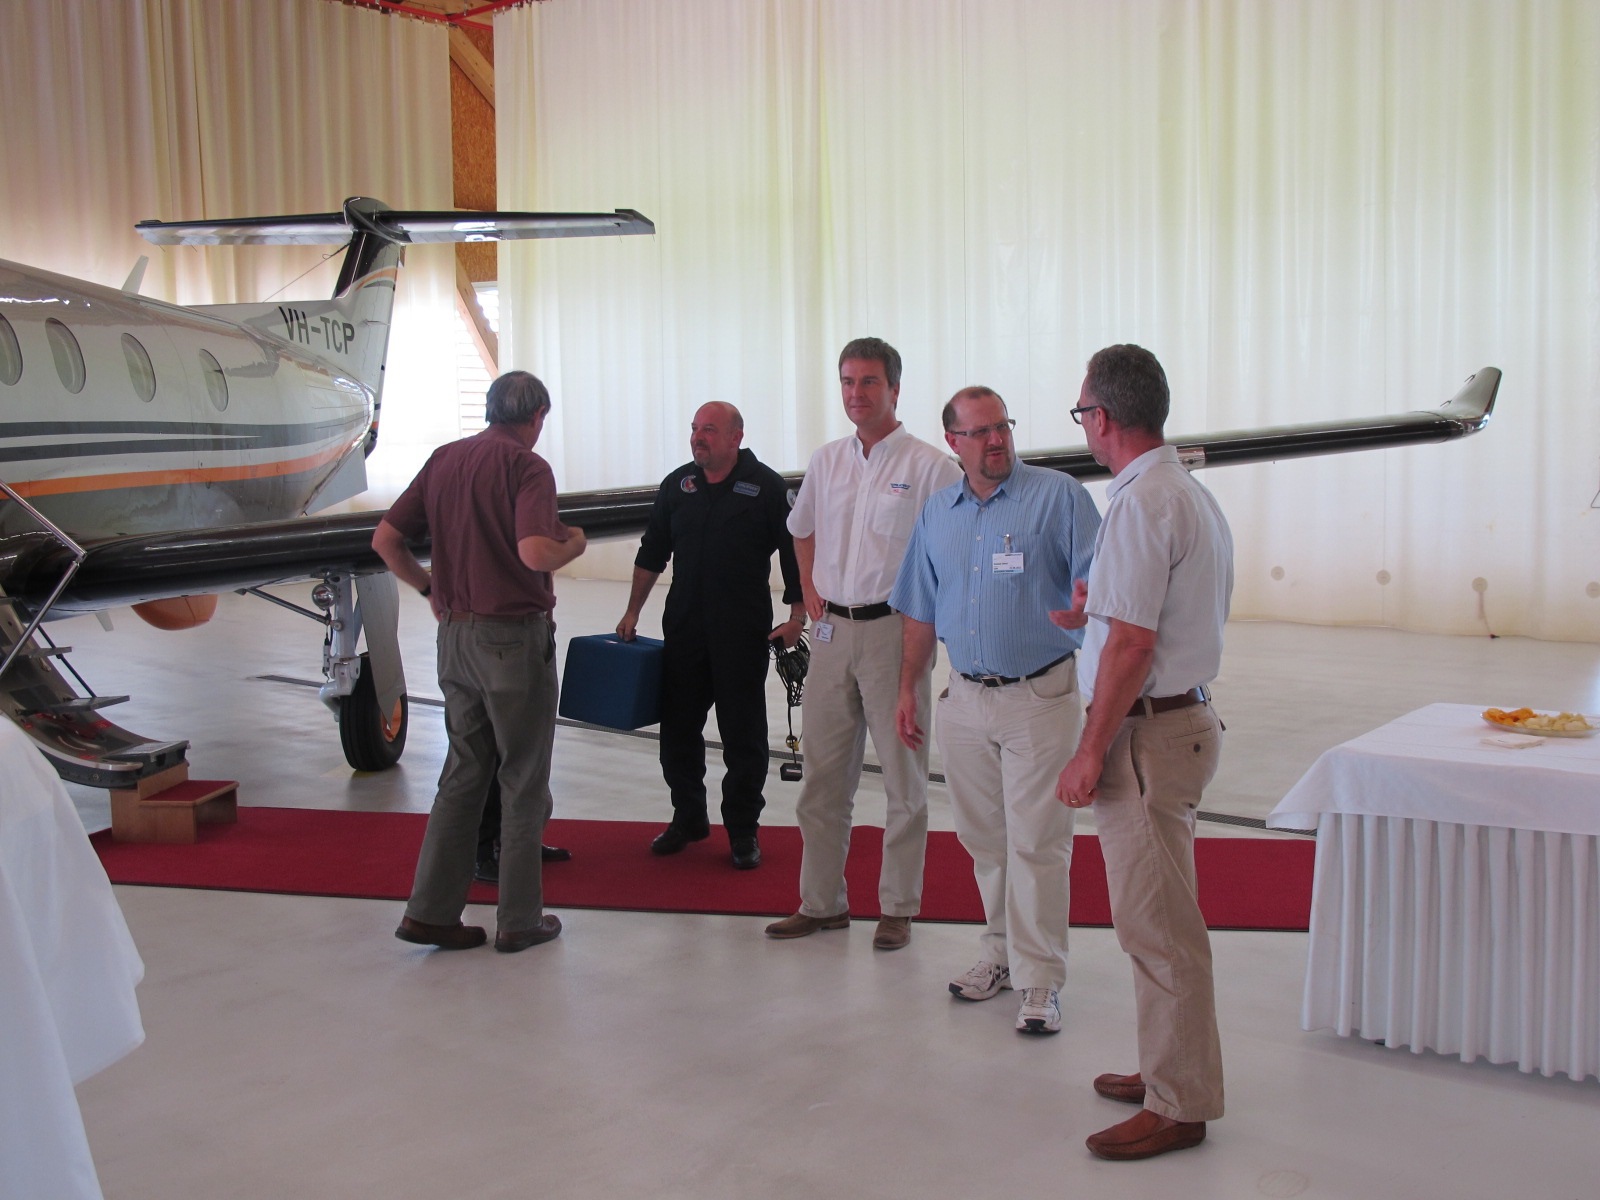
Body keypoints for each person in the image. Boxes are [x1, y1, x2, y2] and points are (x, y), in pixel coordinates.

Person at [1052, 345, 1234, 1160]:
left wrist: (1089, 750)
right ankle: (1169, 1066)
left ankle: (1179, 1102)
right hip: (1179, 723)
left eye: (1081, 411)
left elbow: (1133, 647)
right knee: (1158, 920)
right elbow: (1149, 614)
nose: (1083, 424)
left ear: (1103, 417)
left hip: (1147, 737)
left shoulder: (1139, 502)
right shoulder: (1181, 491)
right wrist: (1096, 609)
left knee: (1159, 930)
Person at [891, 386, 1100, 1034]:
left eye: (1002, 427)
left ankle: (1041, 981)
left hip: (1039, 696)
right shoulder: (937, 514)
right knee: (985, 840)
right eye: (980, 432)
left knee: (1037, 842)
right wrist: (908, 688)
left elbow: (1106, 581)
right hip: (964, 697)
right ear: (953, 442)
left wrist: (1087, 607)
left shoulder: (1060, 497)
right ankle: (1001, 954)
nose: (997, 440)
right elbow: (920, 610)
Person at [373, 369, 586, 953]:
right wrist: (575, 542)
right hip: (512, 641)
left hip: (456, 637)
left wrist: (428, 588)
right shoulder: (526, 467)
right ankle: (520, 919)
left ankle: (430, 911)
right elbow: (535, 551)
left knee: (463, 774)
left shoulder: (445, 459)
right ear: (536, 416)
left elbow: (385, 540)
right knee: (523, 778)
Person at [765, 338, 961, 951]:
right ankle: (821, 903)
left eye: (869, 382)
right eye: (848, 382)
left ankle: (897, 908)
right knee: (822, 779)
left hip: (894, 634)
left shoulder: (932, 468)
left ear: (895, 389)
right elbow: (800, 529)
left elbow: (954, 554)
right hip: (831, 634)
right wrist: (808, 589)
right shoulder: (827, 461)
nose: (856, 393)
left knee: (903, 780)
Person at [617, 402, 805, 870]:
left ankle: (742, 831)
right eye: (695, 429)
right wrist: (632, 611)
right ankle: (688, 817)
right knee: (678, 730)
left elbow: (795, 555)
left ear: (736, 436)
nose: (698, 438)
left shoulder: (767, 488)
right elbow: (652, 551)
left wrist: (797, 616)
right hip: (685, 629)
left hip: (742, 633)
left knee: (743, 735)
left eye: (710, 430)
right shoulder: (678, 485)